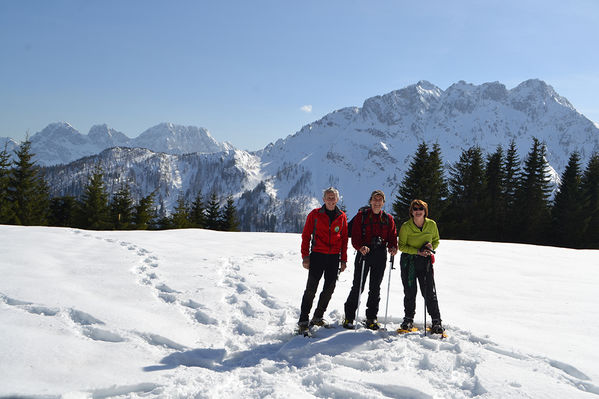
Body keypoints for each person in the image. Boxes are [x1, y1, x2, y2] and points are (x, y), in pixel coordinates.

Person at [343, 190, 397, 330]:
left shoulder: (388, 219)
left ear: (383, 203)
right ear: (370, 201)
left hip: (380, 254)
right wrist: (360, 247)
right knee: (358, 286)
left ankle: (371, 317)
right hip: (364, 253)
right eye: (375, 199)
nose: (377, 202)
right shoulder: (362, 216)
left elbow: (392, 237)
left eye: (380, 200)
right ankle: (349, 316)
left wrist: (392, 247)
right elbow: (355, 236)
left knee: (375, 288)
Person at [298, 187, 348, 334]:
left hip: (333, 258)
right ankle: (303, 320)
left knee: (329, 289)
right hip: (317, 256)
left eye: (333, 197)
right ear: (324, 199)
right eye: (328, 197)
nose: (331, 200)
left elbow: (344, 239)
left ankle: (318, 317)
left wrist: (343, 260)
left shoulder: (342, 216)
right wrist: (305, 256)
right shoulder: (314, 215)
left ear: (337, 200)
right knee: (311, 289)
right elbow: (306, 236)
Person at [398, 199, 443, 333]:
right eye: (415, 209)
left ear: (425, 211)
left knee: (429, 291)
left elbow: (436, 241)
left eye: (420, 209)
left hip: (425, 262)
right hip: (409, 262)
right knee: (410, 291)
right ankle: (408, 319)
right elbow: (401, 246)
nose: (418, 211)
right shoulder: (406, 226)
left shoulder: (431, 224)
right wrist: (417, 251)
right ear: (411, 212)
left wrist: (431, 247)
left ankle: (436, 321)